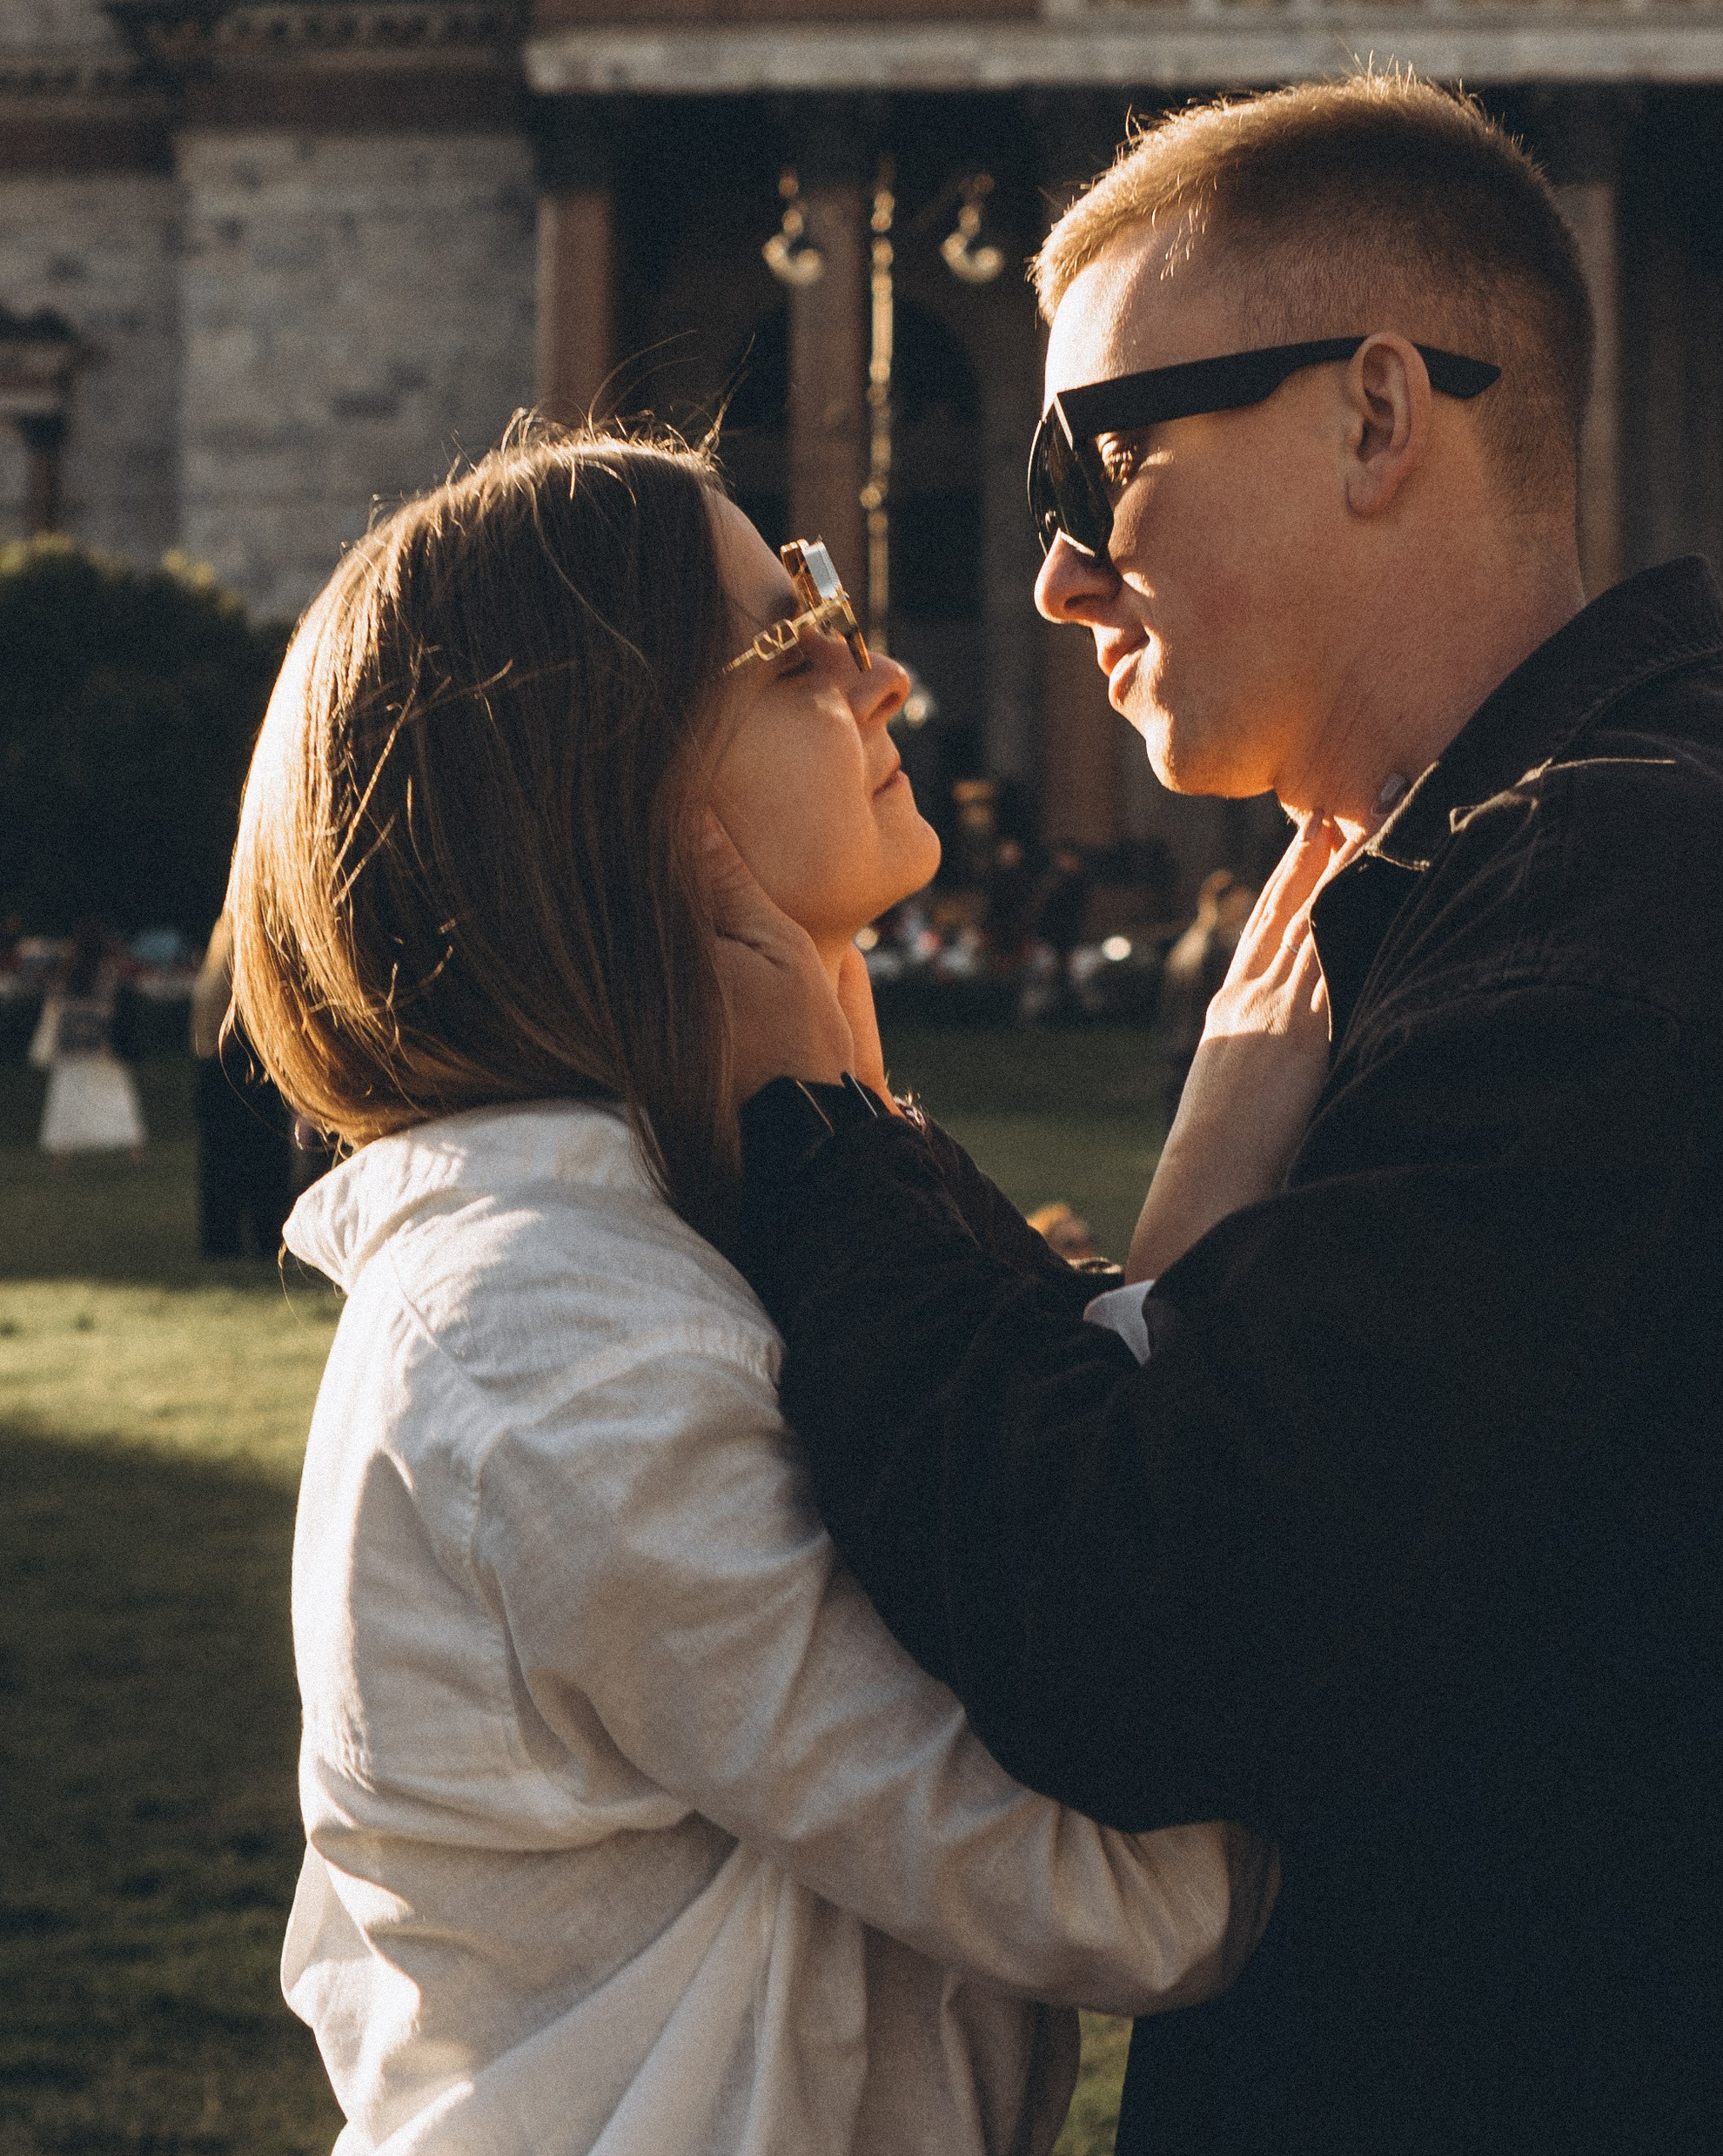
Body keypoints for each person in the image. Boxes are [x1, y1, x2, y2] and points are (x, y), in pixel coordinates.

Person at [707, 73, 1723, 2156]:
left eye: (1094, 459)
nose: (1048, 578)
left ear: (1378, 413)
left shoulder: (1608, 915)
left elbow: (1142, 1619)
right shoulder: (1566, 869)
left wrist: (821, 1132)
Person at [224, 430, 1270, 2156]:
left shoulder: (657, 1254)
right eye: (795, 648)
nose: (887, 674)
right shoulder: (565, 1342)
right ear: (602, 786)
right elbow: (1118, 1892)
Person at [189, 908, 298, 1259]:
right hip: (243, 1061)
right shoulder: (250, 931)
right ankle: (267, 1238)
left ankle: (222, 1241)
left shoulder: (223, 934)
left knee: (221, 1162)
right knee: (264, 1154)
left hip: (213, 1062)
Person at [30, 923, 145, 1159]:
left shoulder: (66, 972)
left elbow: (55, 1003)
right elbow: (112, 1008)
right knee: (115, 1094)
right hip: (101, 1040)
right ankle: (132, 1150)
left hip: (70, 1041)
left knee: (68, 1092)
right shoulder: (107, 972)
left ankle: (62, 1153)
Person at [1153, 868, 1255, 1121]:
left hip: (1178, 1053)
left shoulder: (1189, 943)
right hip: (1199, 1056)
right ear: (1229, 901)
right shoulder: (1214, 951)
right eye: (1242, 904)